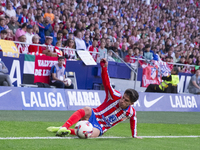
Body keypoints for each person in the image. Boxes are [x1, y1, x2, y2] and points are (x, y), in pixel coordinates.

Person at [47, 58, 141, 139]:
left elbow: (133, 120)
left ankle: (65, 130)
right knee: (87, 109)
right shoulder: (115, 96)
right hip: (94, 114)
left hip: (101, 127)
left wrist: (134, 135)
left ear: (131, 103)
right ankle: (64, 127)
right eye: (123, 97)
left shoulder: (131, 112)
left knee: (89, 134)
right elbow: (107, 83)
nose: (122, 100)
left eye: (126, 100)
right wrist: (104, 68)